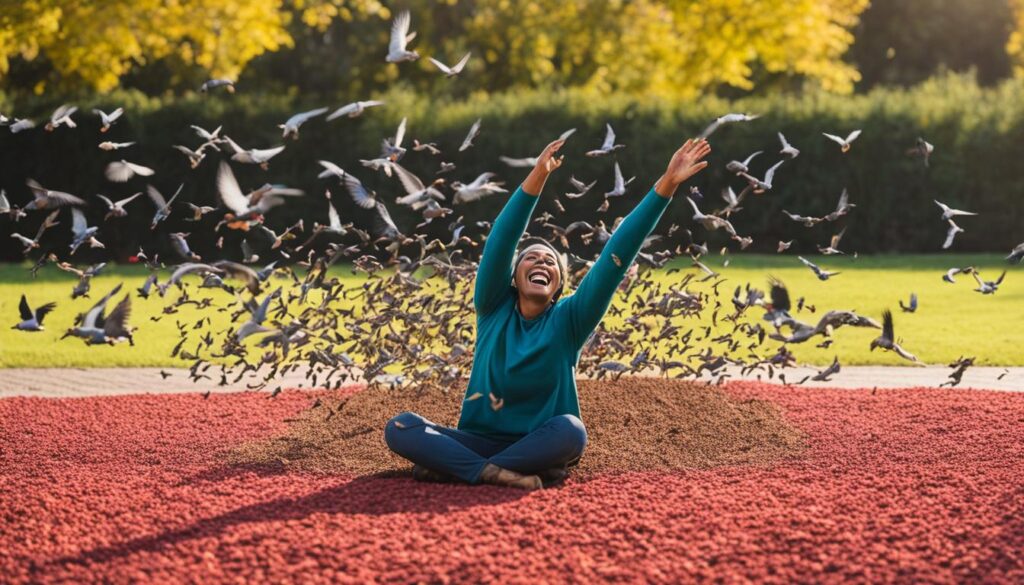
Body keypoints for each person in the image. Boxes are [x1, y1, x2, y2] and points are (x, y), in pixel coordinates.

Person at [385, 136, 712, 490]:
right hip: (478, 438)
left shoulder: (570, 319)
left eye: (551, 262)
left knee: (571, 430)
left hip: (540, 441)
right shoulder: (492, 308)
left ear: (558, 286)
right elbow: (501, 240)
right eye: (532, 256)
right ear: (513, 277)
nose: (542, 260)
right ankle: (491, 472)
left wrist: (666, 184)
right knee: (401, 427)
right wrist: (536, 177)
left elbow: (617, 254)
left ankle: (456, 468)